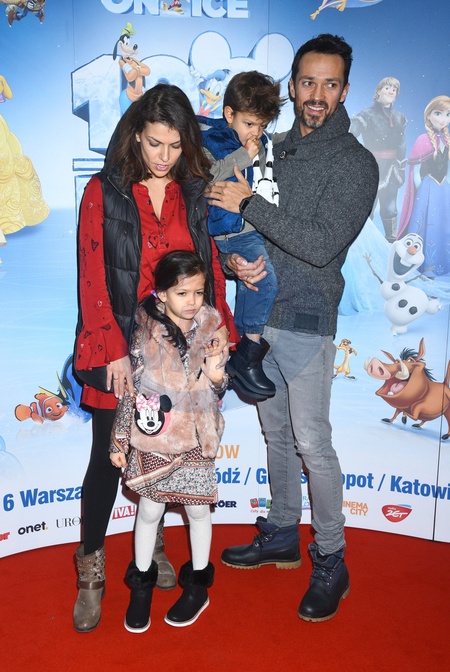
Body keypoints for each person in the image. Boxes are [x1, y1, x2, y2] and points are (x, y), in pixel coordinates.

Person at [206, 33, 379, 622]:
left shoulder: (355, 163)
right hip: (259, 319)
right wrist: (235, 262)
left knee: (312, 443)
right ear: (293, 86)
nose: (317, 94)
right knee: (276, 436)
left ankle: (331, 557)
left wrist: (248, 204)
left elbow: (321, 244)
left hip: (305, 319)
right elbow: (237, 228)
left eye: (330, 84)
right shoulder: (267, 146)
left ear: (345, 90)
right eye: (308, 82)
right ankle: (281, 531)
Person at [73, 84, 237, 633]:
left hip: (182, 354)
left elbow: (208, 264)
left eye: (174, 144)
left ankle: (155, 549)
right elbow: (92, 276)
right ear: (135, 136)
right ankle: (91, 569)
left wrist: (219, 327)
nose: (164, 156)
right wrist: (113, 350)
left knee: (173, 447)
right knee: (109, 458)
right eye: (153, 143)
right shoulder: (104, 191)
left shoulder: (194, 191)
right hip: (121, 347)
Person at [110, 250, 227, 631]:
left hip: (196, 435)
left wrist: (216, 378)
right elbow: (130, 390)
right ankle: (141, 588)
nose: (192, 301)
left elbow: (219, 386)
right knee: (149, 511)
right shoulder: (144, 333)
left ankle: (197, 587)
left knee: (198, 512)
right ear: (161, 294)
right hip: (156, 438)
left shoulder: (212, 328)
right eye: (182, 293)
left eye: (199, 292)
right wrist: (119, 440)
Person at [198, 71, 285, 400]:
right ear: (229, 114)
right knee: (265, 282)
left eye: (262, 126)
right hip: (231, 232)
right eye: (249, 123)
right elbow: (205, 177)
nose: (256, 133)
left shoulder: (264, 143)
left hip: (251, 227)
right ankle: (247, 356)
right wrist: (242, 156)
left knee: (258, 284)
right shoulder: (212, 139)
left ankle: (245, 355)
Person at [397, 95, 450, 276]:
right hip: (427, 189)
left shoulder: (447, 140)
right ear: (429, 115)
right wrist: (421, 192)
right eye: (438, 113)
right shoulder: (422, 139)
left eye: (448, 115)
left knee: (443, 222)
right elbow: (416, 170)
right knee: (426, 223)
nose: (443, 119)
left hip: (444, 189)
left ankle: (442, 262)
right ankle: (424, 264)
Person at [350, 76, 407, 242]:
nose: (391, 91)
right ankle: (362, 243)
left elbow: (402, 145)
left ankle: (390, 243)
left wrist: (401, 169)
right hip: (371, 168)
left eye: (394, 89)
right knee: (367, 207)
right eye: (387, 88)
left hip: (393, 169)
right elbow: (350, 135)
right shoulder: (366, 114)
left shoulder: (399, 117)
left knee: (390, 208)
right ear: (378, 91)